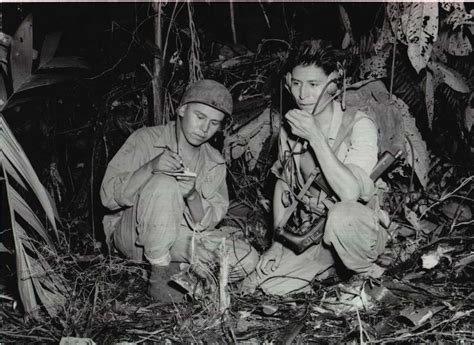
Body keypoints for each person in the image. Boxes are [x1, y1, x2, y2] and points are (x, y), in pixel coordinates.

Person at [242, 40, 388, 295]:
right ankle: (332, 268)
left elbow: (350, 194)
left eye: (313, 85)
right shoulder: (291, 128)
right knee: (270, 286)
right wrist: (278, 242)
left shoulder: (358, 125)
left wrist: (316, 138)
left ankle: (364, 275)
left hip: (358, 231)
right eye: (296, 84)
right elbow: (284, 184)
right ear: (287, 81)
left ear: (333, 83)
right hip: (315, 232)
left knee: (343, 216)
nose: (302, 95)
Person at [100, 79, 258, 300]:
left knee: (247, 257)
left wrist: (192, 195)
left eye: (214, 123)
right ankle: (159, 280)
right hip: (135, 236)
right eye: (200, 117)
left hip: (178, 239)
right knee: (164, 182)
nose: (205, 129)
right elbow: (108, 198)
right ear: (182, 109)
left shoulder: (214, 161)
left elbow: (208, 222)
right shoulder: (145, 139)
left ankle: (182, 273)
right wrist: (150, 167)